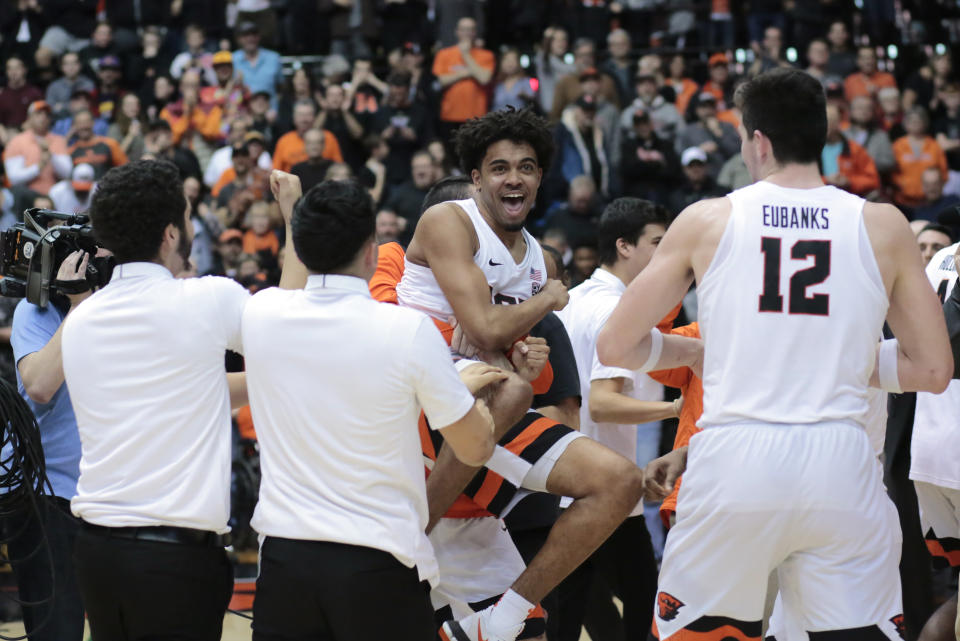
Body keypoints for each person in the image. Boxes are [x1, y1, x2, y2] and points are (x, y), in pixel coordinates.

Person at [598, 68, 952, 641]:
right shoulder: (883, 224)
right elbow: (934, 371)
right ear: (821, 137)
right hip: (840, 464)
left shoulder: (709, 219)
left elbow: (616, 344)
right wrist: (846, 360)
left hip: (735, 461)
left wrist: (692, 350)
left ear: (758, 141)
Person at [396, 107, 653, 641]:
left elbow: (502, 348)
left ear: (540, 179)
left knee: (619, 482)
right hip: (408, 393)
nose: (514, 178)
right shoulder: (450, 222)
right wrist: (542, 304)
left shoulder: (539, 259)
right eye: (499, 168)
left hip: (475, 411)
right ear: (475, 179)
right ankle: (412, 533)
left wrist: (516, 352)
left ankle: (504, 616)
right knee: (509, 389)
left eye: (527, 167)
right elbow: (488, 328)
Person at [243, 174, 496, 641]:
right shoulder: (406, 330)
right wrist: (466, 389)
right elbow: (475, 447)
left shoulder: (262, 315)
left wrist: (292, 211)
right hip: (376, 560)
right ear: (371, 250)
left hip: (285, 563)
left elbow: (290, 290)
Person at [60, 159, 292, 638]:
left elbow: (180, 392)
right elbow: (288, 335)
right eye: (187, 216)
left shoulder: (82, 318)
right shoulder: (207, 300)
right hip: (174, 558)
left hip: (96, 553)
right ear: (171, 233)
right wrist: (293, 216)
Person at [556, 198, 679, 641]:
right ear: (624, 246)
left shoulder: (575, 299)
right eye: (657, 243)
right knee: (643, 597)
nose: (665, 254)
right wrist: (675, 409)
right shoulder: (614, 309)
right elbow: (603, 404)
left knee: (571, 611)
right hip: (603, 487)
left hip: (569, 482)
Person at [5, 251, 92, 641]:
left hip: (109, 496)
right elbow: (39, 386)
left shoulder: (125, 310)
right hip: (48, 493)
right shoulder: (36, 310)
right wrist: (79, 307)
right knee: (58, 632)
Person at [432, 17, 494, 144]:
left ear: (475, 32)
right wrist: (468, 72)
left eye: (470, 29)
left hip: (477, 115)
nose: (467, 33)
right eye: (464, 29)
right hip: (450, 115)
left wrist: (466, 55)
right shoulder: (444, 54)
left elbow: (484, 78)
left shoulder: (486, 55)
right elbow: (441, 81)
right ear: (457, 31)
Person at [2, 101, 71, 195]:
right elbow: (14, 178)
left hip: (54, 193)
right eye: (38, 113)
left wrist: (50, 155)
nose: (43, 117)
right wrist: (39, 167)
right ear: (29, 118)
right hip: (26, 194)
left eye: (46, 114)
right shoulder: (17, 142)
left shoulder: (58, 140)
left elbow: (67, 173)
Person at [272, 100, 343, 173]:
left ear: (314, 117)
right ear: (294, 118)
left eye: (308, 114)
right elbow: (276, 172)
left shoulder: (328, 137)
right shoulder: (284, 141)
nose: (304, 119)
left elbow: (339, 168)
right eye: (300, 115)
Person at [67, 109, 128, 178]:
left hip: (105, 186)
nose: (83, 126)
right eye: (80, 123)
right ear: (74, 126)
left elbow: (125, 169)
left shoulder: (110, 144)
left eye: (86, 122)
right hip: (79, 187)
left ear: (93, 123)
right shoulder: (70, 151)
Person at [290, 129, 334, 193]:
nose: (314, 147)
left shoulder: (333, 168)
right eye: (310, 143)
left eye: (318, 143)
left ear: (324, 145)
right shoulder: (296, 170)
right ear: (304, 146)